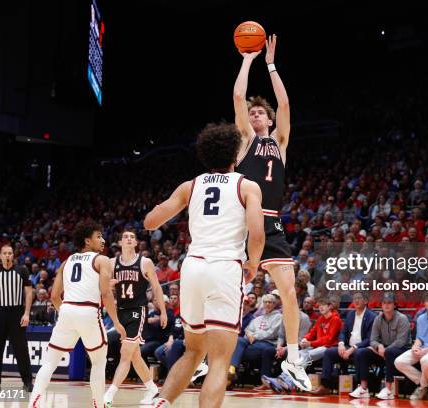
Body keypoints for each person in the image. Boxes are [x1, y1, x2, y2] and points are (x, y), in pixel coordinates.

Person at [145, 122, 264, 408]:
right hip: (224, 268)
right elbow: (257, 235)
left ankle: (160, 404)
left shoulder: (191, 185)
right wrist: (254, 264)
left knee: (193, 350)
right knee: (220, 360)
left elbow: (150, 222)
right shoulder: (247, 186)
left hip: (193, 268)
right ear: (236, 154)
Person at [233, 34, 311, 391]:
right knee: (229, 293)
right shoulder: (246, 142)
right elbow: (237, 96)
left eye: (259, 112)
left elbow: (285, 102)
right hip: (244, 223)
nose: (254, 114)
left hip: (272, 223)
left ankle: (294, 361)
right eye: (251, 113)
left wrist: (270, 64)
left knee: (289, 293)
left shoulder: (279, 141)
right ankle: (210, 356)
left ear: (268, 118)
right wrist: (247, 60)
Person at [28, 222, 126, 408]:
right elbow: (106, 294)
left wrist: (67, 314)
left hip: (66, 310)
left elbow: (54, 296)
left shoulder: (66, 262)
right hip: (88, 311)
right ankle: (99, 404)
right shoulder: (102, 260)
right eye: (99, 236)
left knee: (49, 362)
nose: (103, 240)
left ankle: (33, 403)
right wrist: (116, 322)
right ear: (87, 241)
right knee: (98, 362)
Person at [104, 230, 168, 407]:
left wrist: (162, 311)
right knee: (134, 356)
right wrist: (106, 284)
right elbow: (103, 286)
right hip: (120, 310)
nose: (129, 238)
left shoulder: (145, 262)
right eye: (125, 236)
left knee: (125, 353)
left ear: (136, 242)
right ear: (120, 242)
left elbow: (156, 288)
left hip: (137, 311)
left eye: (132, 237)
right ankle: (152, 389)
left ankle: (109, 395)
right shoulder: (111, 263)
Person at [0, 244, 33, 391]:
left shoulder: (22, 270)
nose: (8, 255)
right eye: (5, 253)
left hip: (17, 312)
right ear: (0, 256)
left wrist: (27, 313)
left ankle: (27, 382)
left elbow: (29, 292)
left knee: (21, 349)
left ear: (13, 255)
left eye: (10, 253)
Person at [311, 292, 377, 396]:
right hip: (347, 346)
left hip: (361, 348)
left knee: (359, 353)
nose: (356, 300)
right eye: (354, 298)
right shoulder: (350, 314)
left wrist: (353, 348)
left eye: (359, 298)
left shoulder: (372, 316)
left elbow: (369, 339)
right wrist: (341, 344)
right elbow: (343, 332)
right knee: (329, 352)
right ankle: (325, 386)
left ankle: (362, 387)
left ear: (366, 301)